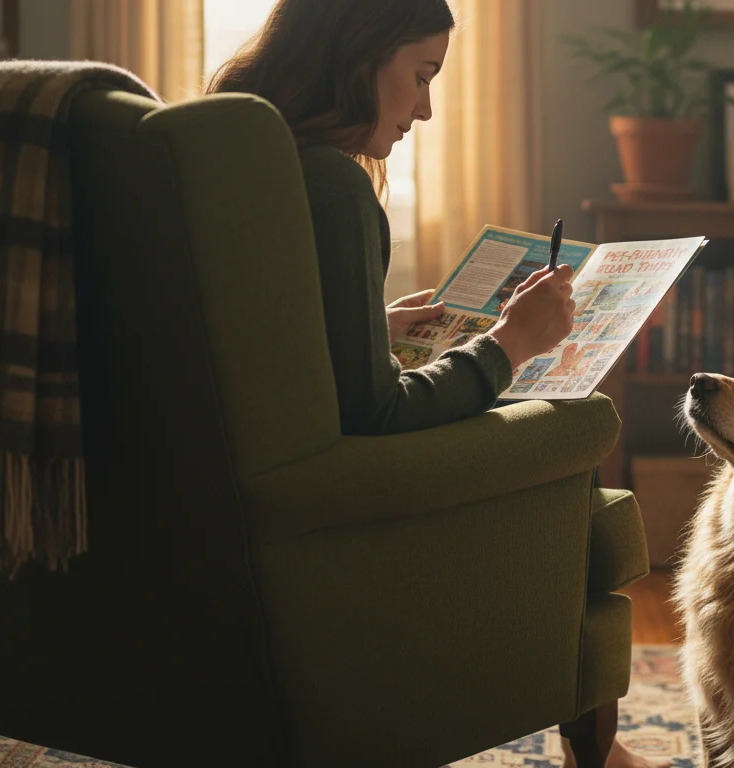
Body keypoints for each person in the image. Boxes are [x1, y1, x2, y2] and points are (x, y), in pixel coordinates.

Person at [206, 2, 668, 766]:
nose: (424, 109)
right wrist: (509, 343)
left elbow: (248, 339)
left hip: (248, 506)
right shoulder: (331, 183)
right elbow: (378, 412)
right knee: (574, 421)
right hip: (349, 510)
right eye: (420, 76)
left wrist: (367, 328)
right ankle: (598, 749)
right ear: (359, 57)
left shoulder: (240, 151)